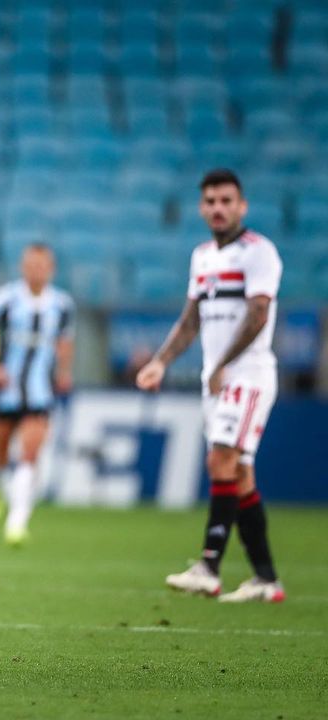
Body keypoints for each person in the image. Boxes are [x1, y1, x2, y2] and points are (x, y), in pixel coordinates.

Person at [136, 169, 285, 603]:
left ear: (242, 206)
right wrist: (160, 362)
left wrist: (224, 363)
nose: (218, 208)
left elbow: (258, 315)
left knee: (220, 460)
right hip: (217, 379)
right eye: (211, 202)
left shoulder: (259, 253)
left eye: (226, 200)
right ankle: (266, 578)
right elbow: (190, 320)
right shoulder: (202, 256)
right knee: (239, 476)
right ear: (202, 208)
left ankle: (209, 566)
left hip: (248, 375)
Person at [0, 243, 74, 546]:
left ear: (51, 269)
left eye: (42, 265)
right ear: (22, 267)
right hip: (5, 389)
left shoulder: (62, 305)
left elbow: (65, 342)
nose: (36, 270)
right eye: (31, 264)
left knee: (29, 453)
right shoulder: (4, 299)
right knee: (2, 452)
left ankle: (17, 521)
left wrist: (65, 372)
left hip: (40, 390)